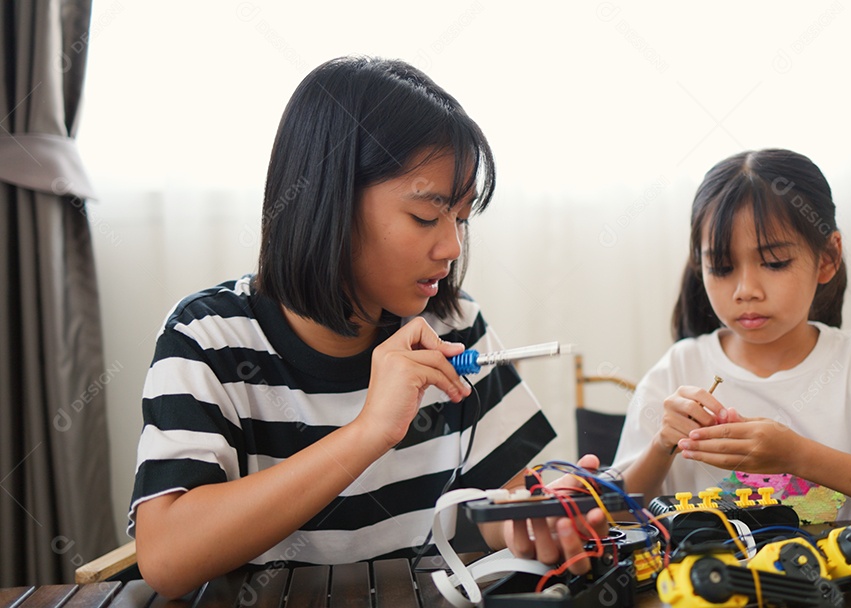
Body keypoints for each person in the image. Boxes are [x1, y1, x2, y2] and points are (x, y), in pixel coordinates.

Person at [129, 56, 605, 599]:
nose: (451, 246)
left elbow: (500, 498)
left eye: (461, 219)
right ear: (327, 202)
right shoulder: (207, 338)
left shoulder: (453, 325)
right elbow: (167, 558)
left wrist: (538, 515)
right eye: (427, 216)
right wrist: (368, 432)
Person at [612, 149, 851, 531]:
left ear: (827, 257)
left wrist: (799, 457)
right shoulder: (679, 368)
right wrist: (661, 447)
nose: (746, 290)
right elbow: (615, 517)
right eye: (721, 267)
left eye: (774, 263)